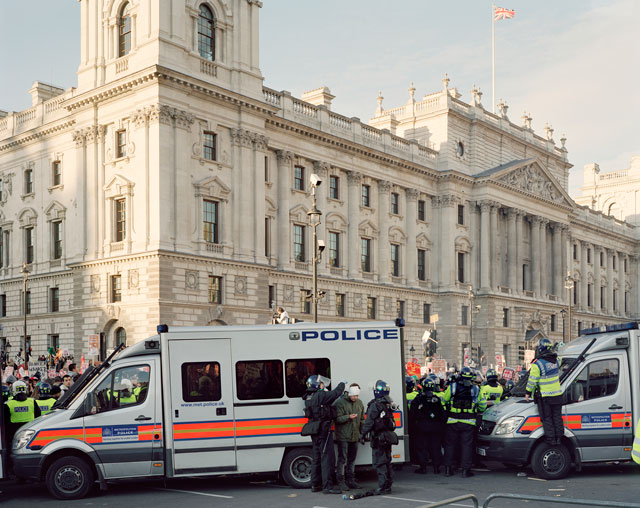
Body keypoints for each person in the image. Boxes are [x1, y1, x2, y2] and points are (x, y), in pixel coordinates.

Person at [303, 374, 345, 494]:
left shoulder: (308, 397)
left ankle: (315, 485)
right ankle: (328, 487)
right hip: (323, 430)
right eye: (321, 383)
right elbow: (336, 393)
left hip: (314, 430)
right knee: (327, 458)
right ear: (317, 385)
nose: (323, 384)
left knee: (316, 458)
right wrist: (342, 384)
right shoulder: (320, 395)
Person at [441, 366, 486, 478]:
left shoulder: (452, 387)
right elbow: (483, 405)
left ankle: (448, 469)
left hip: (452, 421)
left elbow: (444, 401)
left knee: (450, 445)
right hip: (469, 422)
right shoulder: (476, 389)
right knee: (466, 446)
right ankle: (466, 471)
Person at [526, 337, 564, 445]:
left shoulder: (537, 364)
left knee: (547, 418)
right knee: (557, 417)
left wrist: (528, 393)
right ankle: (559, 438)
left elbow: (532, 381)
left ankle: (551, 441)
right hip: (557, 395)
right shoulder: (557, 361)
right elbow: (560, 358)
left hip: (545, 397)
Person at [361, 380, 396, 495]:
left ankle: (382, 487)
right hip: (387, 437)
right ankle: (388, 486)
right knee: (387, 462)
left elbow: (369, 422)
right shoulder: (388, 403)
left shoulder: (375, 405)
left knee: (380, 463)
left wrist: (361, 435)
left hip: (378, 438)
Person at [409, 377, 446, 474]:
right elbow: (442, 414)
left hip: (422, 428)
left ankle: (423, 467)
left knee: (422, 448)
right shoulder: (437, 399)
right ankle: (436, 468)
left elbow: (412, 414)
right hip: (436, 428)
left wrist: (413, 426)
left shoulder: (418, 399)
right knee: (435, 447)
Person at [334, 383, 365, 490]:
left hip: (354, 435)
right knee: (342, 459)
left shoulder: (359, 403)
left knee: (352, 459)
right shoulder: (340, 403)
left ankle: (351, 481)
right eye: (354, 396)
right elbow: (337, 419)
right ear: (349, 394)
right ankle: (341, 481)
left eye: (357, 396)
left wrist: (363, 432)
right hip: (343, 436)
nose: (355, 398)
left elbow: (362, 420)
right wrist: (348, 417)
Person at [4, 380, 41, 447]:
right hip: (30, 431)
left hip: (14, 433)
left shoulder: (8, 404)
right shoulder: (32, 401)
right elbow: (38, 416)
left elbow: (5, 421)